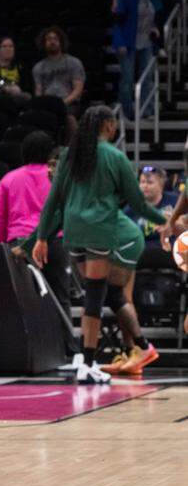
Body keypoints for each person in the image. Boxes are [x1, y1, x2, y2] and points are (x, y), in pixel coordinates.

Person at [34, 106, 166, 383]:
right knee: (96, 295)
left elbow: (53, 200)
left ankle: (129, 349)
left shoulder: (70, 155)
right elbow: (137, 202)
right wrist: (163, 220)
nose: (115, 128)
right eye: (113, 123)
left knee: (101, 293)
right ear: (106, 125)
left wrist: (42, 238)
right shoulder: (115, 157)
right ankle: (89, 362)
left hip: (73, 231)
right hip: (99, 230)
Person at [0, 132, 69, 304]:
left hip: (19, 245)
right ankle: (63, 332)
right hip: (54, 242)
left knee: (22, 302)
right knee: (60, 298)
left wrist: (2, 245)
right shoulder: (57, 178)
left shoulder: (9, 179)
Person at [114, 0, 160, 119]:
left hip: (145, 42)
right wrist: (120, 42)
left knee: (146, 78)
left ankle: (147, 111)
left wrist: (154, 28)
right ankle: (126, 113)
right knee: (127, 78)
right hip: (128, 42)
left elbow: (148, 18)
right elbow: (118, 20)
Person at [32, 26, 85, 118]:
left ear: (61, 41)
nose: (52, 41)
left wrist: (63, 102)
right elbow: (38, 91)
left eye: (55, 38)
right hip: (47, 105)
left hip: (69, 104)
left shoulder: (73, 62)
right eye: (48, 39)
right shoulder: (38, 67)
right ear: (44, 43)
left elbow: (78, 89)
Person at [126, 165, 179, 245]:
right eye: (142, 182)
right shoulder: (132, 207)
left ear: (161, 185)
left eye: (150, 182)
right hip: (143, 251)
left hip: (170, 248)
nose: (145, 186)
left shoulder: (175, 201)